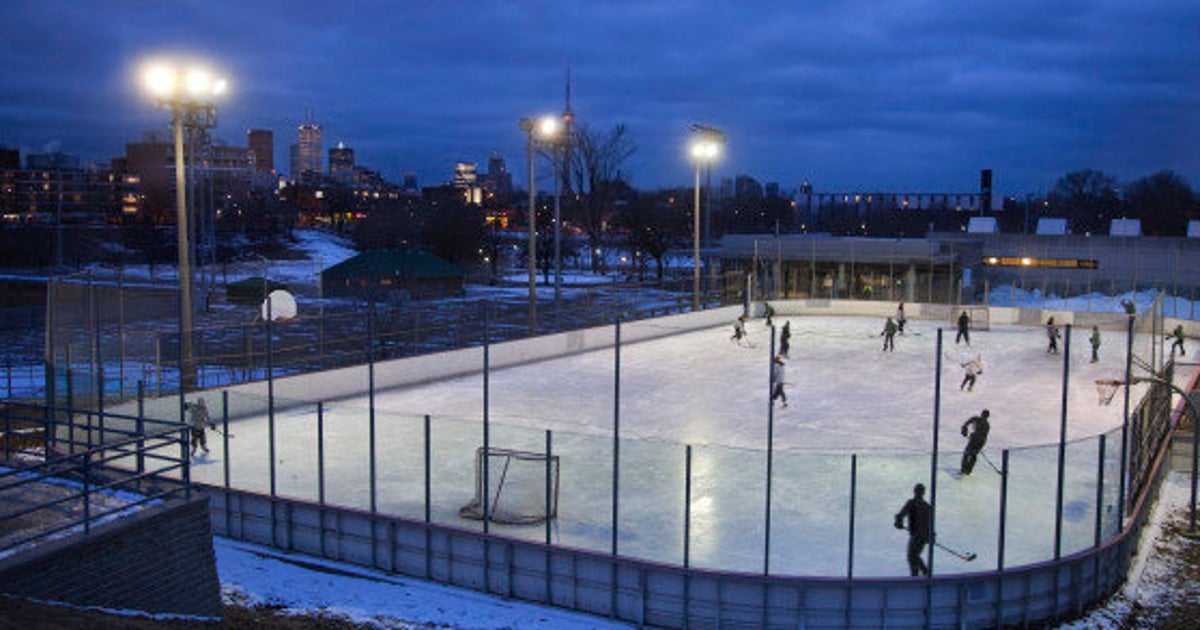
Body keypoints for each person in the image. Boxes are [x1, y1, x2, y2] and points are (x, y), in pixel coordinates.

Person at [894, 483, 932, 577]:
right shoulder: (927, 506)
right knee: (915, 555)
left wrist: (898, 522)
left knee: (912, 556)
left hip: (916, 534)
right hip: (923, 535)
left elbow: (901, 514)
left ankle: (917, 574)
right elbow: (930, 524)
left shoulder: (911, 503)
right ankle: (924, 571)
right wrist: (930, 535)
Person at [959, 409, 991, 475]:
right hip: (981, 441)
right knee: (973, 454)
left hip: (976, 440)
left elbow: (966, 424)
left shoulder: (978, 419)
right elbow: (966, 424)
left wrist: (965, 430)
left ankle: (964, 469)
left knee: (967, 453)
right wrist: (965, 430)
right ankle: (968, 470)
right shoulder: (987, 424)